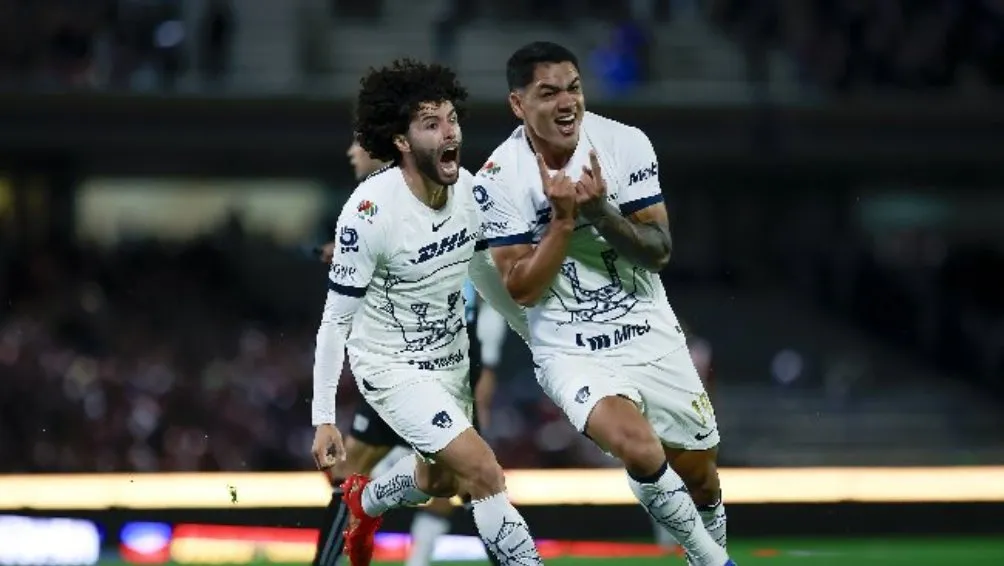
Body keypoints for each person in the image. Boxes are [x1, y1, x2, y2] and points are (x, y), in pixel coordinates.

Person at [475, 41, 735, 566]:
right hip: (568, 345)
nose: (567, 102)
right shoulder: (497, 181)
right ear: (518, 105)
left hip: (647, 328)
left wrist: (598, 212)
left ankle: (704, 550)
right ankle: (714, 561)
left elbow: (659, 251)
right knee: (637, 446)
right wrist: (563, 223)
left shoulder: (625, 143)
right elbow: (521, 288)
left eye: (573, 87)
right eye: (548, 92)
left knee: (701, 476)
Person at [309, 59, 542, 566]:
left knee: (439, 478)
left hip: (451, 361)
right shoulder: (369, 211)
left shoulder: (472, 193)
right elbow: (334, 322)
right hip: (391, 368)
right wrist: (324, 418)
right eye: (431, 124)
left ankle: (364, 501)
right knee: (483, 471)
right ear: (401, 140)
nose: (449, 132)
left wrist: (539, 340)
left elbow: (491, 279)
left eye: (452, 119)